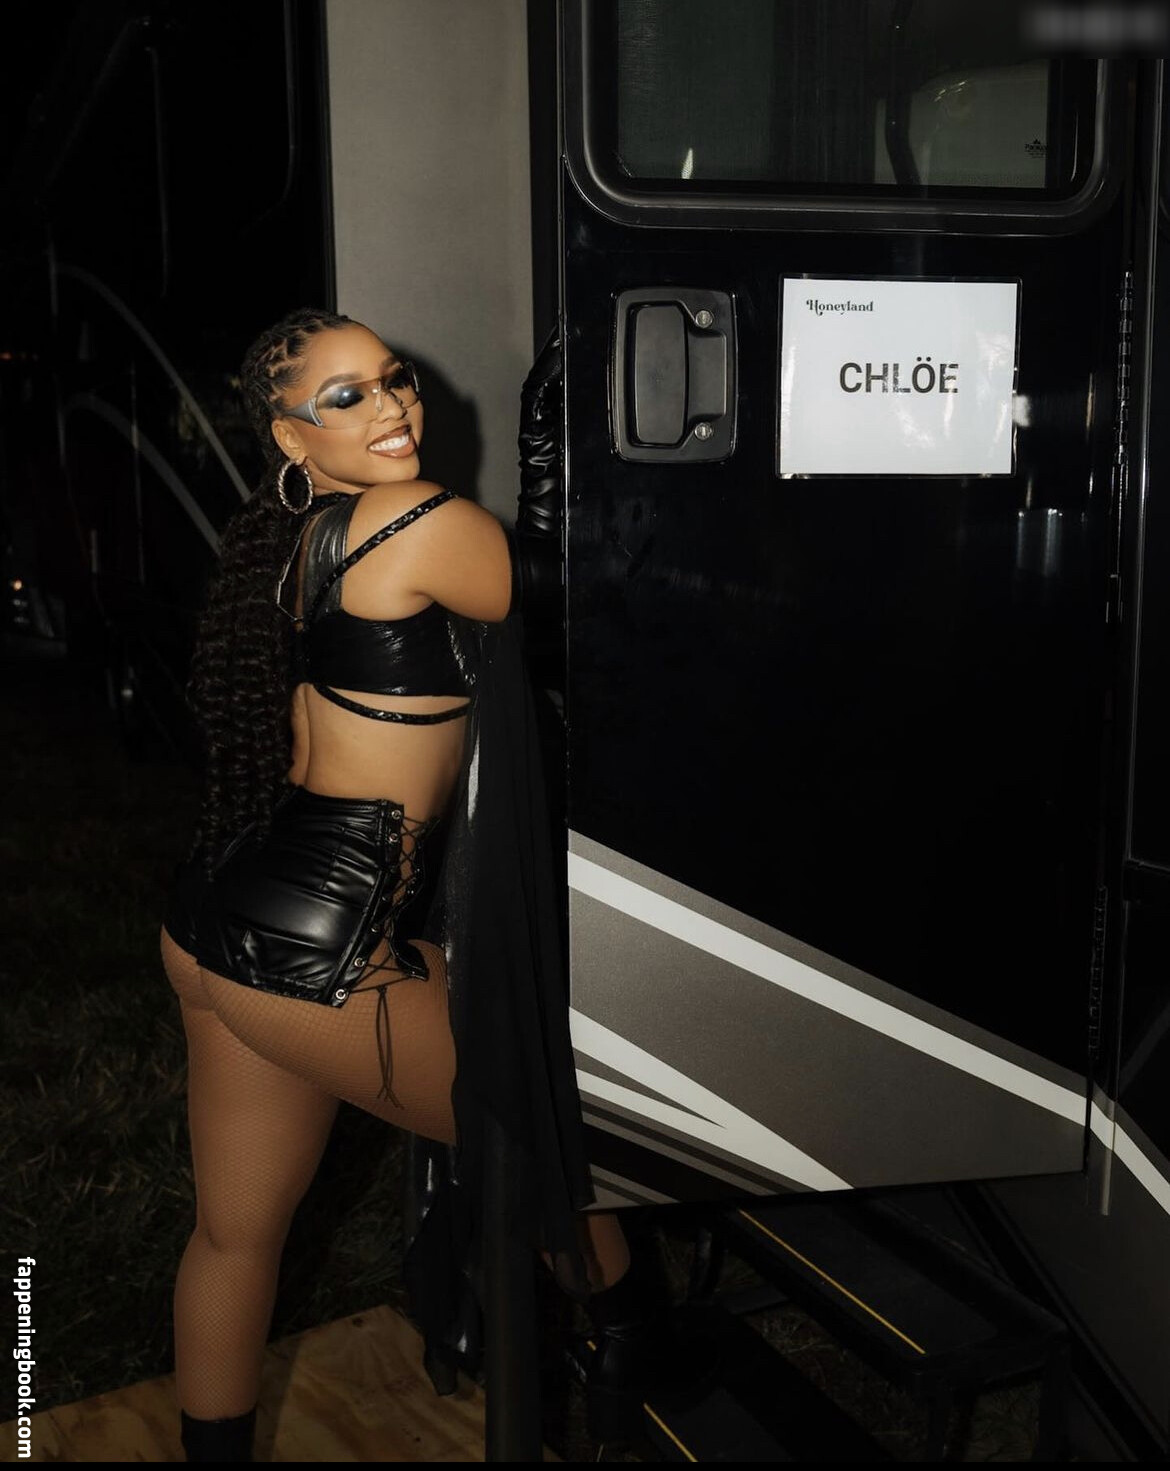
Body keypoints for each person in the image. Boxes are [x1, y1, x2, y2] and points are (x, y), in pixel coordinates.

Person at [158, 307, 660, 1462]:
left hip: (213, 924)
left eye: (394, 379)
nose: (389, 406)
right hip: (318, 956)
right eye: (346, 396)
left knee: (234, 1239)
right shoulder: (409, 518)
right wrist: (553, 462)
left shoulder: (298, 541)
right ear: (294, 440)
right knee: (554, 1152)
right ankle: (636, 1354)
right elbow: (581, 599)